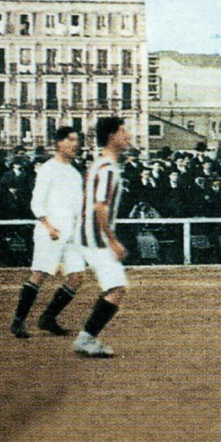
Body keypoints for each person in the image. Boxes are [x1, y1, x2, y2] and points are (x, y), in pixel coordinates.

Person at [10, 126, 86, 338]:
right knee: (40, 274)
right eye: (71, 140)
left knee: (77, 277)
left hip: (71, 233)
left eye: (76, 140)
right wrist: (48, 225)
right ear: (59, 143)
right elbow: (37, 202)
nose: (75, 145)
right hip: (50, 231)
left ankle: (48, 318)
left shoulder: (74, 172)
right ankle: (18, 321)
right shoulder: (48, 169)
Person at [73, 117, 131, 357]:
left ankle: (87, 337)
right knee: (117, 287)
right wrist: (113, 240)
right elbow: (100, 207)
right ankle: (86, 339)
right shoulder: (107, 170)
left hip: (88, 234)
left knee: (115, 286)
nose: (127, 136)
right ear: (111, 136)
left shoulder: (100, 165)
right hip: (95, 238)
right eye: (123, 132)